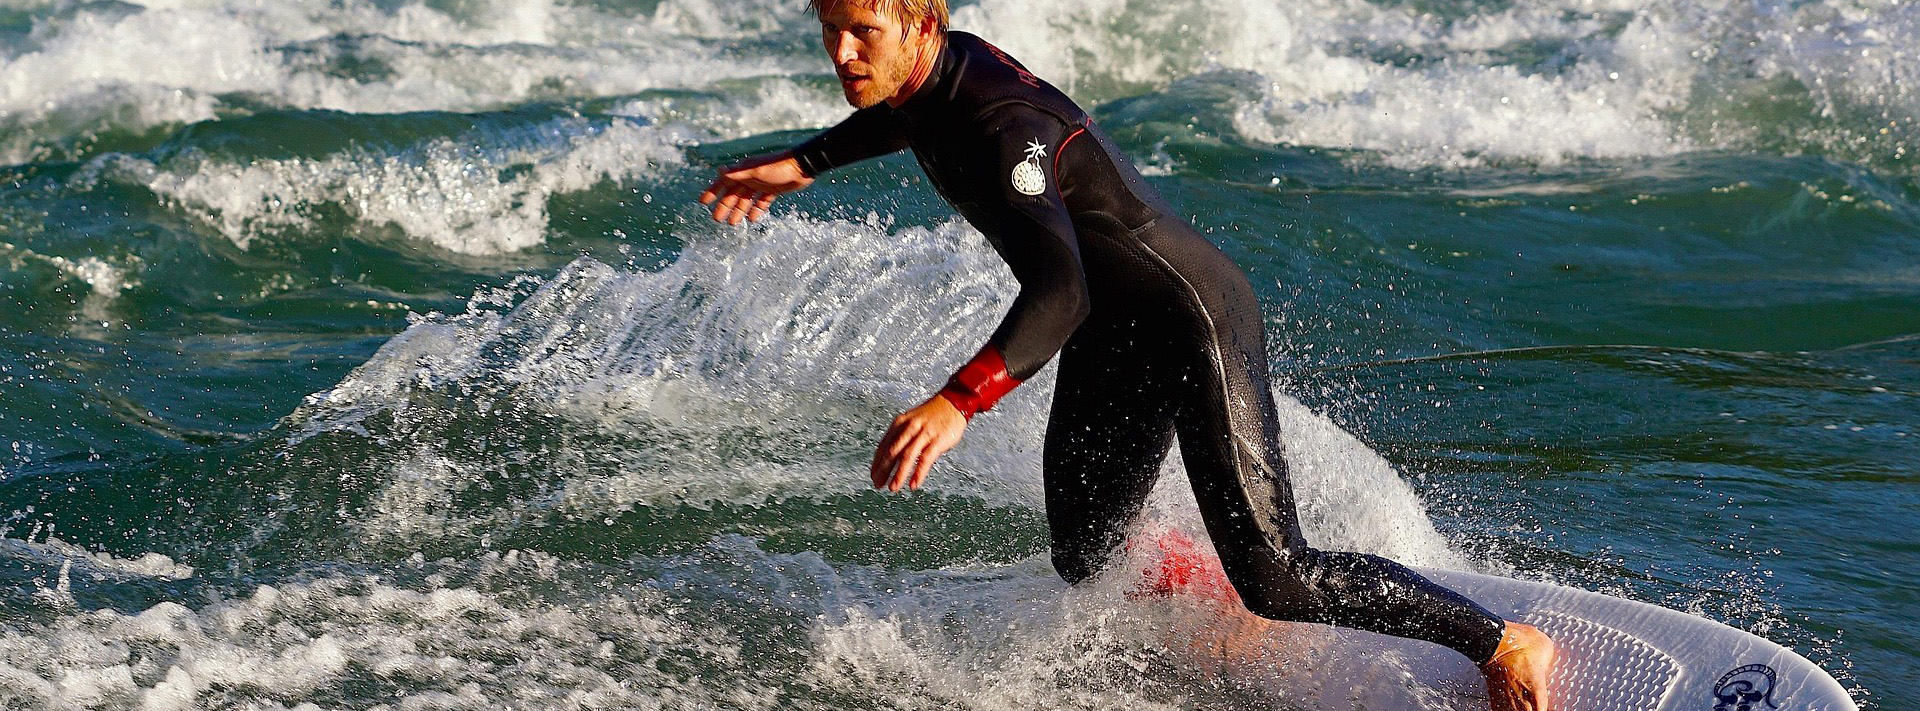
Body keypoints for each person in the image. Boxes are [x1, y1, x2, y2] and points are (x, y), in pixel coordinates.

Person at [695, 1, 1556, 708]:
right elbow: (903, 112)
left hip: (1194, 321)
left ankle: (1503, 642)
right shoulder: (934, 69)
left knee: (1278, 574)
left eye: (862, 34)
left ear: (923, 23)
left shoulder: (1005, 125)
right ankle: (1203, 578)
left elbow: (1058, 291)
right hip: (1115, 334)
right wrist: (804, 162)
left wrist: (961, 398)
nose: (842, 53)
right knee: (1083, 552)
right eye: (829, 29)